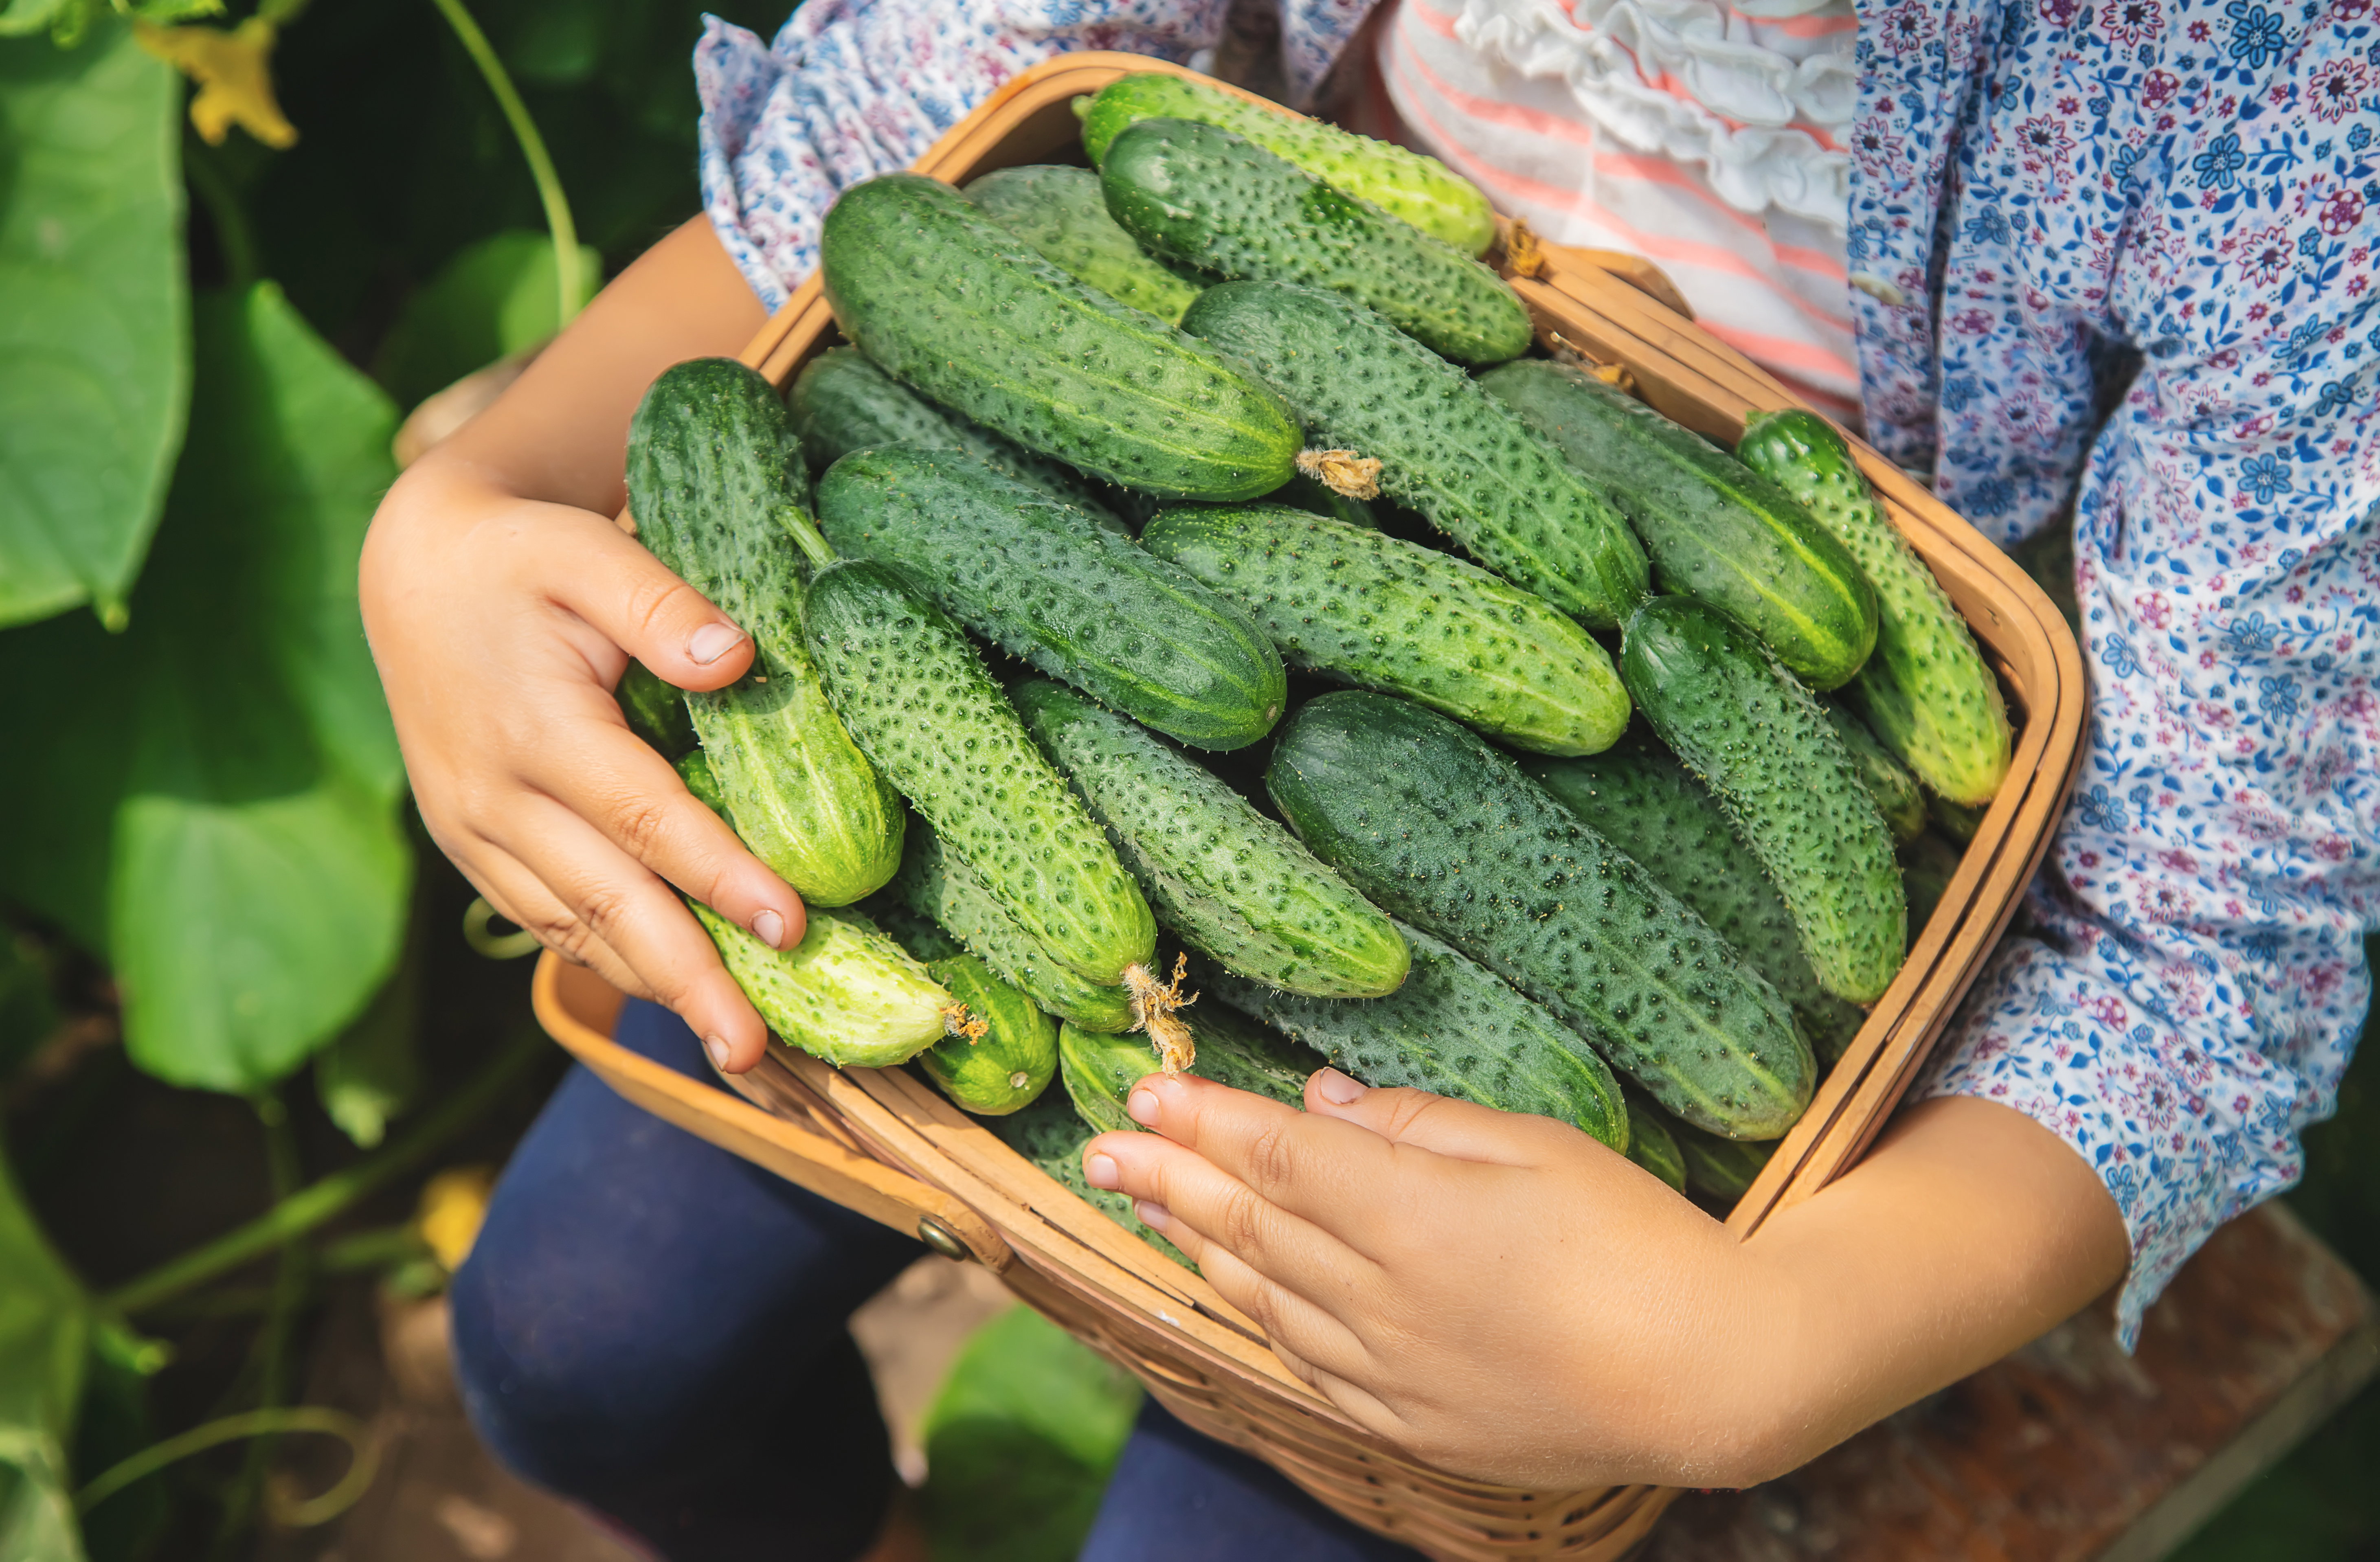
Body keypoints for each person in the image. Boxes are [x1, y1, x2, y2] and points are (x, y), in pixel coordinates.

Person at [359, 0, 2379, 1554]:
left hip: (1572, 1012)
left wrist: (1750, 1357)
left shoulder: (2277, 103)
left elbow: (2206, 949)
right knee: (567, 1339)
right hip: (1105, 611)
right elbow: (862, 187)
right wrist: (463, 505)